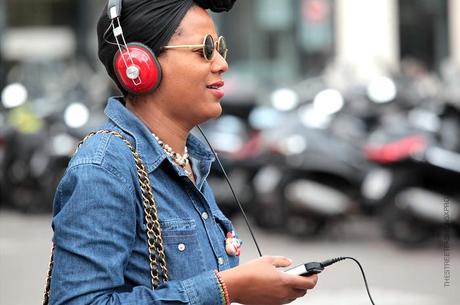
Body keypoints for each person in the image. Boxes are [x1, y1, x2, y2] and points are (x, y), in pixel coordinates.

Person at [48, 1, 318, 304]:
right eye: (204, 49)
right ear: (138, 64)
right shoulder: (106, 168)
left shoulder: (191, 160)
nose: (221, 63)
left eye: (219, 48)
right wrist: (227, 288)